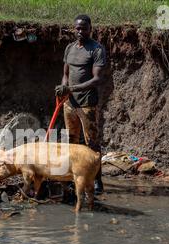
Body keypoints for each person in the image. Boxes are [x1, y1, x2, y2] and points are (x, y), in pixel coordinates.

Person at [55, 14, 106, 195]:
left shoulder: (96, 49)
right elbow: (65, 74)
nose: (80, 31)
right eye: (77, 28)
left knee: (92, 143)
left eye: (83, 28)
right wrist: (64, 87)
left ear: (90, 28)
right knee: (71, 141)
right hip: (69, 103)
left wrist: (72, 88)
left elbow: (97, 79)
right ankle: (72, 178)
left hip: (87, 104)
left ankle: (97, 180)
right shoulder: (70, 48)